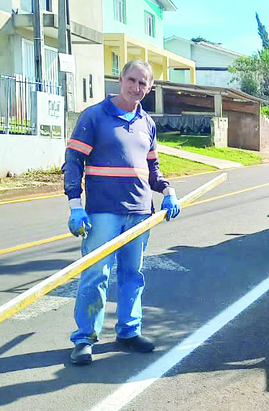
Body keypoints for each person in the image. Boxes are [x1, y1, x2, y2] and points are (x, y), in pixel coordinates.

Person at [63, 60, 181, 365]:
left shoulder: (147, 124)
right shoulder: (95, 116)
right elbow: (74, 161)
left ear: (150, 88)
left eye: (143, 84)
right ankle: (84, 339)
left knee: (133, 275)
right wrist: (75, 204)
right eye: (132, 80)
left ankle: (129, 331)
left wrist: (167, 191)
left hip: (140, 212)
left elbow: (152, 168)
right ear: (120, 79)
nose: (136, 88)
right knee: (95, 275)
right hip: (104, 211)